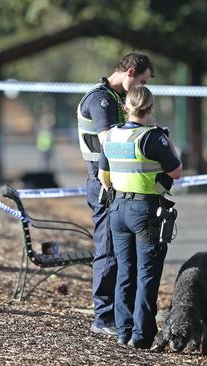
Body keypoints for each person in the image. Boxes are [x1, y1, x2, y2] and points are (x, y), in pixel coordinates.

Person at [77, 52, 155, 337]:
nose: (141, 88)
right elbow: (108, 140)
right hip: (103, 184)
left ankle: (120, 314)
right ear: (130, 72)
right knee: (108, 249)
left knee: (121, 252)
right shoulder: (102, 100)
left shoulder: (113, 98)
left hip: (116, 182)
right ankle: (103, 316)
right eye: (142, 81)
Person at [98, 85, 182, 349]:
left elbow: (103, 176)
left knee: (125, 271)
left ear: (126, 108)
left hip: (118, 208)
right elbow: (177, 171)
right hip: (146, 211)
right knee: (147, 274)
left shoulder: (111, 135)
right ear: (150, 108)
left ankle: (123, 332)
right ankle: (142, 335)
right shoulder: (153, 138)